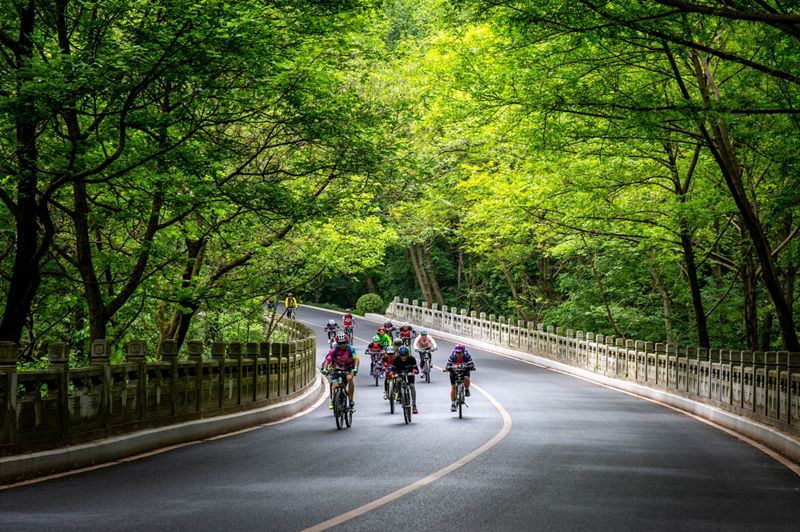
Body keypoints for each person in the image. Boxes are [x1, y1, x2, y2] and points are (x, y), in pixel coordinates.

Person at [321, 332, 359, 409]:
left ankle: (351, 399)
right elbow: (327, 360)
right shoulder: (333, 350)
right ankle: (333, 401)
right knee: (335, 385)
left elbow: (356, 359)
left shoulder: (351, 349)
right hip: (337, 368)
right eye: (340, 343)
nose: (342, 345)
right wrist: (325, 369)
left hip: (349, 368)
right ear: (337, 343)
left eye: (344, 343)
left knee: (349, 378)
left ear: (346, 342)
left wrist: (355, 368)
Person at [445, 344, 475, 412]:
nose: (458, 354)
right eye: (457, 352)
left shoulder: (467, 356)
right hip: (454, 372)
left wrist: (469, 367)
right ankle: (453, 404)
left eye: (460, 352)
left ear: (463, 352)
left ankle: (466, 389)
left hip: (464, 371)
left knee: (466, 377)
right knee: (453, 387)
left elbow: (471, 364)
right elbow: (448, 365)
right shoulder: (452, 356)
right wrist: (449, 368)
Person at [391, 346, 419, 414]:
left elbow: (416, 369)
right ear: (399, 355)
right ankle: (399, 394)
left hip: (410, 375)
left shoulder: (412, 359)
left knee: (412, 386)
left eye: (405, 355)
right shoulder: (396, 359)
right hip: (399, 374)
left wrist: (415, 371)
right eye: (402, 355)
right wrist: (392, 374)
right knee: (398, 380)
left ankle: (414, 405)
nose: (403, 357)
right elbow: (393, 370)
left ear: (407, 354)